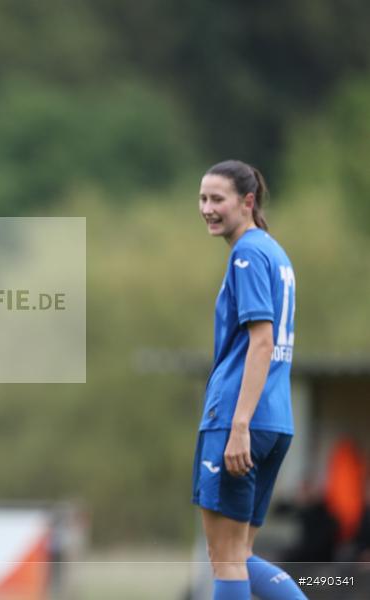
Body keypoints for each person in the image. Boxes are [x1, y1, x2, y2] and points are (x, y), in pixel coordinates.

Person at [192, 160, 306, 599]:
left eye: (217, 199)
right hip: (276, 420)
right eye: (202, 198)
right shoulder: (274, 252)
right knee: (238, 554)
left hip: (240, 420)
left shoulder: (247, 254)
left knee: (224, 557)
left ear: (248, 201)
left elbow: (262, 341)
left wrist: (238, 425)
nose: (207, 208)